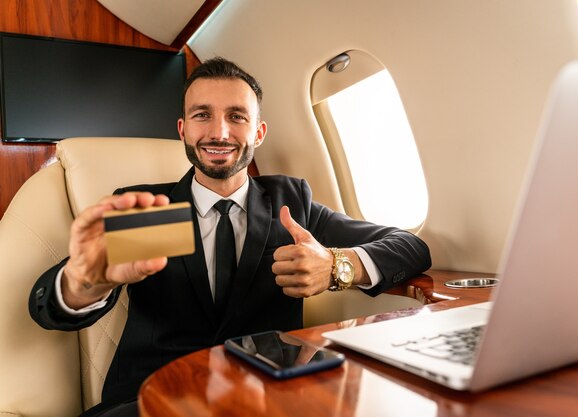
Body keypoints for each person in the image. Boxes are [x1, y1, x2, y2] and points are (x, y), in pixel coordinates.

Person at [29, 57, 431, 416]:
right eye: (203, 115)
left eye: (237, 116)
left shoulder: (291, 203)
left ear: (258, 132)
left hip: (266, 396)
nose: (219, 132)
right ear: (184, 130)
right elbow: (52, 305)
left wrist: (336, 267)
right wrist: (83, 283)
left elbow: (410, 246)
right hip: (153, 398)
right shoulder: (151, 211)